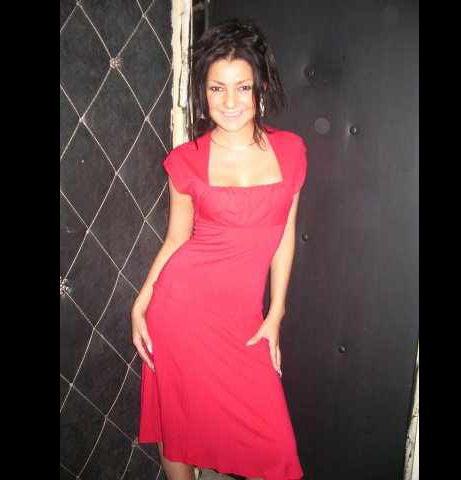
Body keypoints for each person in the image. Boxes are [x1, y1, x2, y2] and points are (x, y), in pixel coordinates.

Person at [132, 18, 307, 480]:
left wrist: (276, 313)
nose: (230, 102)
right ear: (204, 93)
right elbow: (176, 239)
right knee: (178, 429)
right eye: (217, 88)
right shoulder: (186, 160)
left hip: (243, 321)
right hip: (180, 313)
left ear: (261, 87)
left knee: (278, 451)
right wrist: (142, 301)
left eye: (242, 87)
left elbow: (284, 235)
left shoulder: (291, 151)